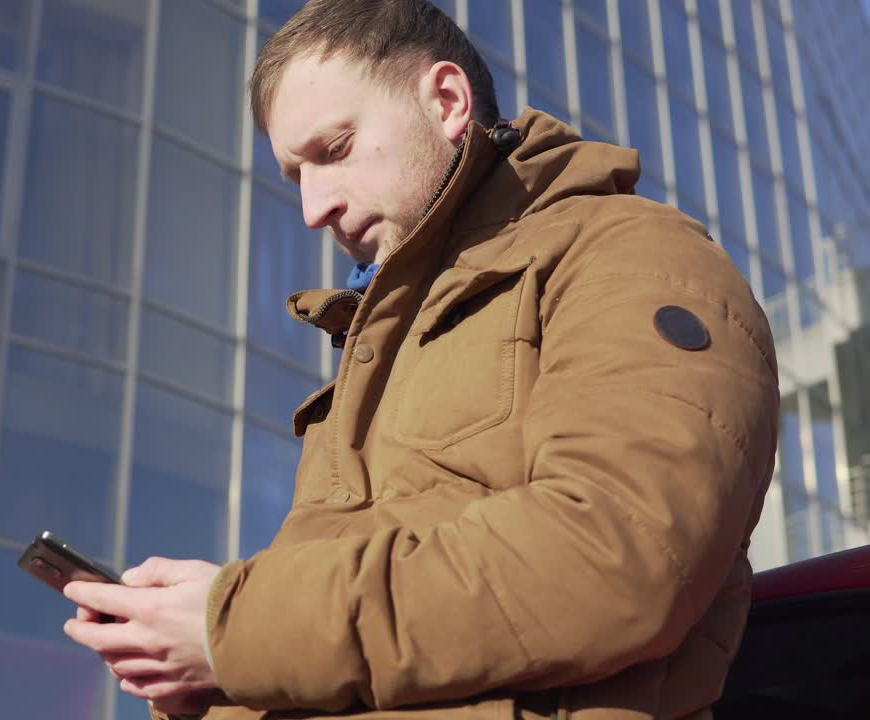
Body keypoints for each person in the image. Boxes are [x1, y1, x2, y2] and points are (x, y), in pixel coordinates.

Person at [62, 1, 781, 718]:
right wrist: (202, 673)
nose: (313, 208)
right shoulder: (378, 347)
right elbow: (353, 649)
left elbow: (621, 554)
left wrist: (232, 630)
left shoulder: (629, 255)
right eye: (294, 176)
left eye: (334, 150)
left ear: (446, 101)